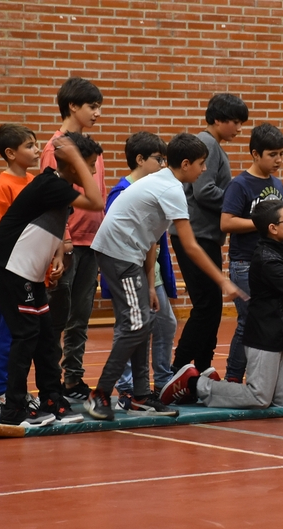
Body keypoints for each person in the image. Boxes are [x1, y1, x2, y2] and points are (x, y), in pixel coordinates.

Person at [85, 133, 243, 421]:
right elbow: (191, 246)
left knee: (144, 323)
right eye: (201, 163)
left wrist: (149, 285)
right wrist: (222, 280)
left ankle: (141, 396)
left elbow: (151, 238)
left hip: (129, 255)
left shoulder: (163, 181)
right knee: (135, 326)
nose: (204, 169)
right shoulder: (171, 189)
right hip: (117, 255)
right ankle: (101, 393)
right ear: (186, 164)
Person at [160, 200, 283, 409]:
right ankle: (194, 384)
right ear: (273, 228)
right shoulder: (267, 260)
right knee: (259, 398)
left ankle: (208, 382)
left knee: (280, 403)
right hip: (264, 338)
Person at [0, 132, 104, 426]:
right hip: (10, 265)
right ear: (73, 164)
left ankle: (51, 399)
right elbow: (96, 201)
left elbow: (50, 224)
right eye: (89, 164)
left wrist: (57, 254)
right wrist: (75, 157)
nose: (92, 171)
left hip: (30, 268)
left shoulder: (57, 186)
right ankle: (13, 409)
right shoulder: (52, 183)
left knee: (46, 336)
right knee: (26, 335)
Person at [171, 93, 249, 378]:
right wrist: (238, 204)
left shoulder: (213, 145)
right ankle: (178, 368)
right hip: (197, 235)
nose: (238, 128)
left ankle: (202, 367)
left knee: (211, 307)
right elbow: (204, 192)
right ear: (217, 119)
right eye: (235, 122)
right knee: (206, 306)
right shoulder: (207, 144)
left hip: (205, 234)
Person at [99, 132, 179, 408]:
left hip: (147, 269)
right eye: (159, 159)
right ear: (140, 159)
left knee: (157, 324)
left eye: (165, 160)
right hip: (124, 265)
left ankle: (151, 386)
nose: (163, 165)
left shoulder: (155, 188)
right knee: (132, 325)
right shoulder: (123, 191)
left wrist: (152, 279)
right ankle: (122, 388)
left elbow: (152, 240)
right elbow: (116, 239)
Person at [38, 77, 106, 403]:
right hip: (66, 244)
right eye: (92, 106)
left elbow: (98, 195)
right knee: (57, 318)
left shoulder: (92, 147)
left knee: (80, 317)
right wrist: (62, 240)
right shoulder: (57, 147)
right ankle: (50, 382)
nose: (97, 113)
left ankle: (73, 379)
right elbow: (50, 197)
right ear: (72, 106)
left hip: (92, 242)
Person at [221, 123, 283, 382]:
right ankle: (233, 377)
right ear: (255, 154)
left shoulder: (277, 185)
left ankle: (260, 378)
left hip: (271, 262)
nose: (278, 160)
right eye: (272, 154)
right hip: (245, 263)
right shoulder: (240, 185)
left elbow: (281, 220)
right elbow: (226, 222)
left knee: (267, 321)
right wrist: (262, 224)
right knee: (248, 321)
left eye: (281, 154)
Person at [0, 124, 43, 412]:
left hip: (32, 267)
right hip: (11, 269)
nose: (37, 150)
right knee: (10, 330)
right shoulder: (2, 187)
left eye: (36, 144)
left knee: (29, 333)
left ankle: (18, 388)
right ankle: (1, 391)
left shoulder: (33, 182)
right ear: (10, 153)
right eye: (29, 146)